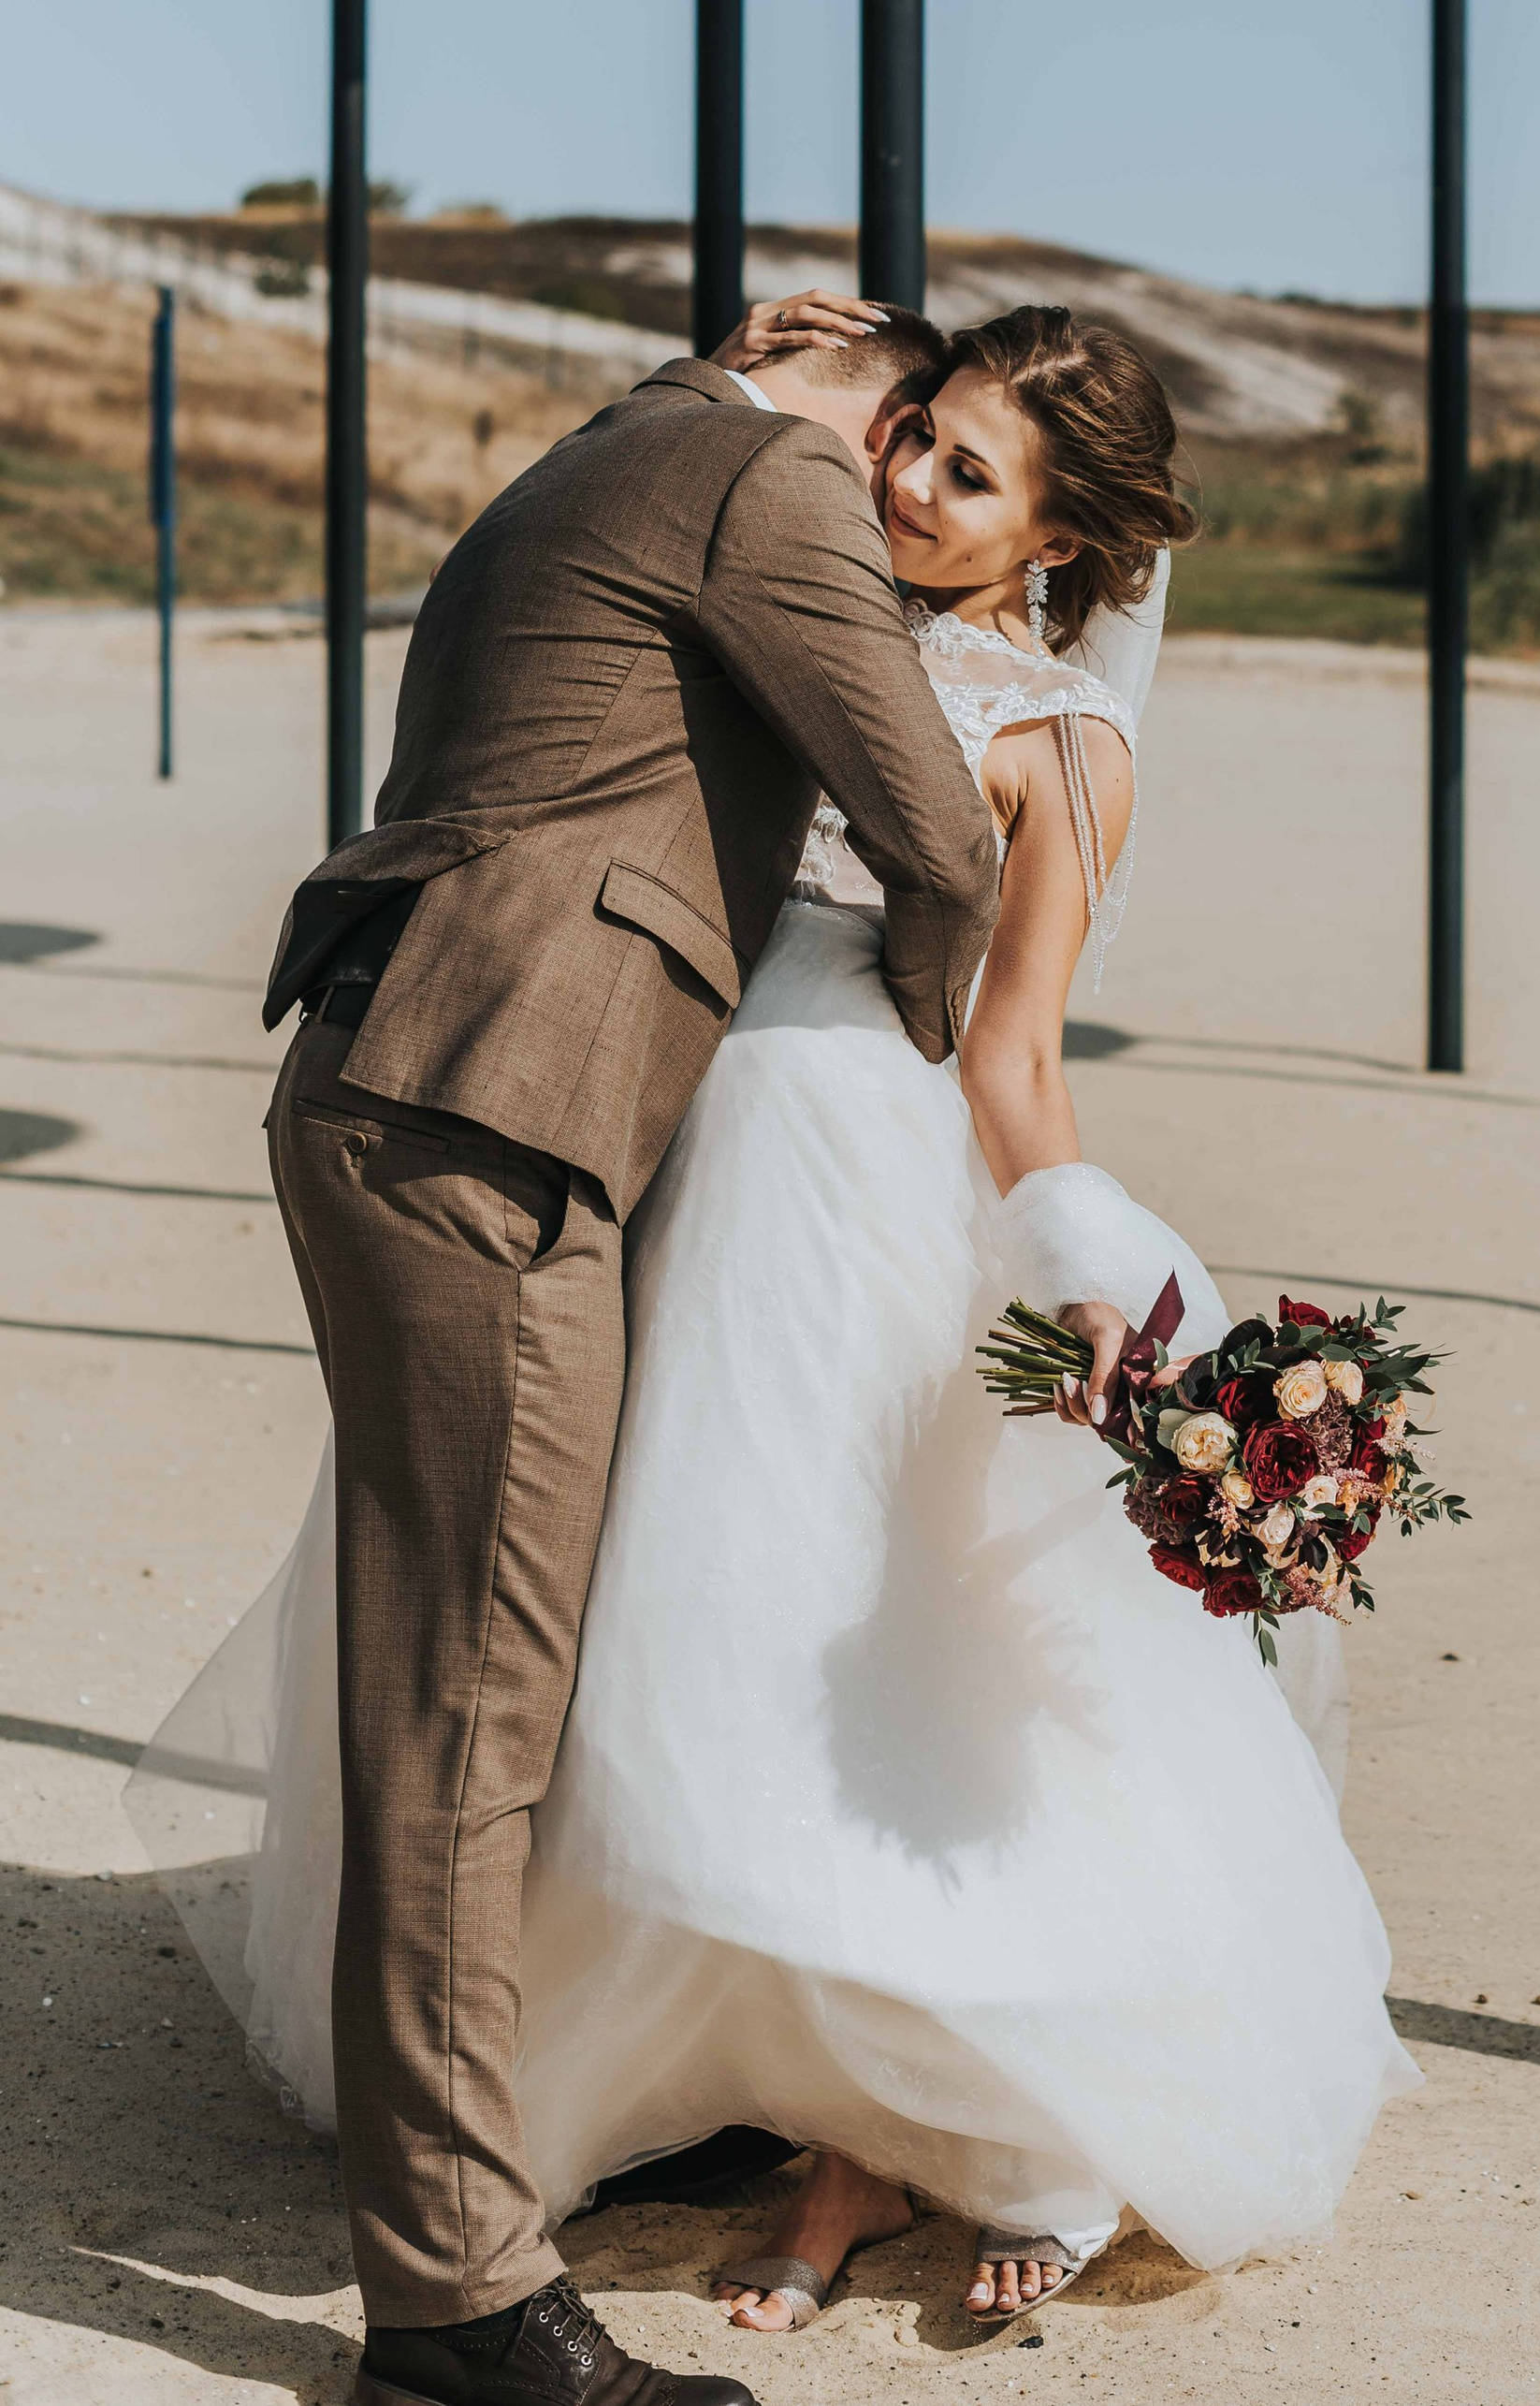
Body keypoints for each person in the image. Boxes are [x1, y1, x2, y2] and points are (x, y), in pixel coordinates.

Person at [138, 300, 1415, 2366]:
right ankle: (680, 2087)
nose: (907, 482)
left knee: (822, 1637)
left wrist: (1074, 1252)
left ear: (1062, 548)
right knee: (607, 1633)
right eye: (916, 432)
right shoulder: (771, 574)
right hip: (639, 1142)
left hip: (833, 1189)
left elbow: (1009, 1052)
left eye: (967, 472)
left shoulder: (1057, 745)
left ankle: (881, 2124)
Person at [233, 309, 1001, 2406]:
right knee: (467, 1708)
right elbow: (939, 835)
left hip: (430, 1080)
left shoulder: (604, 457)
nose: (897, 469)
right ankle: (459, 2304)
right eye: (899, 413)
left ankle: (519, 2161)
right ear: (800, 347)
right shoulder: (758, 472)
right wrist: (912, 1058)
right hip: (487, 1110)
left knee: (487, 1681)